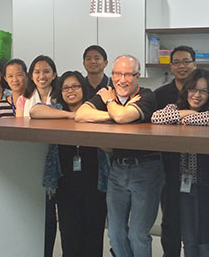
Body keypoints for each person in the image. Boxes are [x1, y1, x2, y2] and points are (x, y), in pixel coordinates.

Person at [75, 54, 162, 257]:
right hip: (117, 170)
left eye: (128, 74)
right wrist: (113, 114)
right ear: (111, 75)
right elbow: (81, 114)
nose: (122, 79)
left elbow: (123, 116)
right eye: (117, 74)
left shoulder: (147, 96)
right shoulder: (107, 94)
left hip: (146, 169)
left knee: (137, 234)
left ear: (137, 76)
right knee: (115, 233)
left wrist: (116, 111)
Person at [30, 71, 107, 257]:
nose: (70, 90)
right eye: (66, 87)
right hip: (66, 185)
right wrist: (72, 115)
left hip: (95, 184)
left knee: (94, 237)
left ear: (83, 88)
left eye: (75, 86)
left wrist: (84, 115)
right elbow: (35, 111)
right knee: (69, 237)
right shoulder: (56, 111)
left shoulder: (94, 110)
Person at [151, 68, 209, 257]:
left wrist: (179, 117)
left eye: (203, 91)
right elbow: (156, 117)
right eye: (193, 89)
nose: (197, 95)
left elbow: (208, 119)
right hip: (182, 185)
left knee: (206, 240)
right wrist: (184, 113)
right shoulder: (173, 107)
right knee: (189, 239)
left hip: (208, 185)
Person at [154, 45, 198, 257]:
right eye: (177, 62)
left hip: (199, 166)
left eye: (186, 61)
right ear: (171, 66)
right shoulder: (161, 94)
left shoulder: (205, 92)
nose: (182, 66)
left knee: (195, 223)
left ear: (194, 64)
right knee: (170, 220)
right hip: (168, 165)